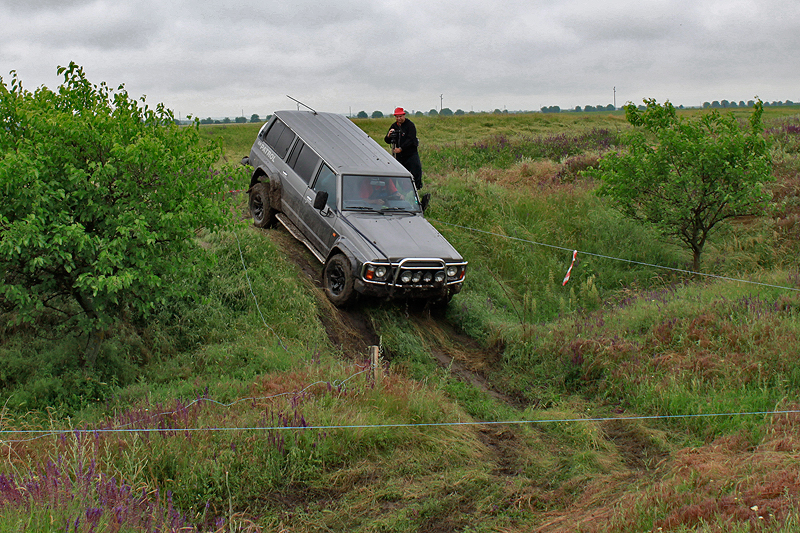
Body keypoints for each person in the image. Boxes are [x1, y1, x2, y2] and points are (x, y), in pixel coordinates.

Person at [384, 107, 423, 189]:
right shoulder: (394, 126)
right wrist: (389, 135)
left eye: (400, 116)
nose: (399, 118)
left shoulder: (410, 125)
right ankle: (396, 189)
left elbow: (411, 139)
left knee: (416, 169)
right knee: (397, 172)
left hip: (411, 153)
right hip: (399, 156)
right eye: (397, 117)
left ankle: (417, 188)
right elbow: (387, 140)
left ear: (404, 115)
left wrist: (401, 148)